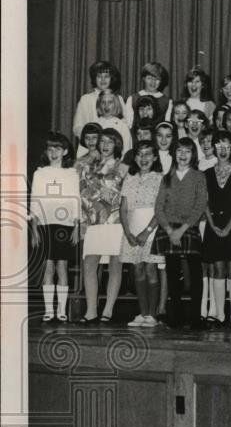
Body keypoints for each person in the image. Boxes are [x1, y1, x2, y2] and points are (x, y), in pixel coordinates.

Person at [153, 137, 208, 330]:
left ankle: (195, 317)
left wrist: (183, 229)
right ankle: (174, 316)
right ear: (174, 154)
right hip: (169, 229)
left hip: (188, 227)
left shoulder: (199, 177)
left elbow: (200, 205)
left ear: (193, 155)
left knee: (195, 274)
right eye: (179, 151)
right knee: (172, 273)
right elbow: (158, 207)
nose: (183, 155)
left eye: (187, 151)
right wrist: (169, 230)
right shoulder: (167, 178)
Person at [76, 128, 129, 322]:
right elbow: (82, 193)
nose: (105, 145)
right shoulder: (88, 166)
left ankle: (108, 310)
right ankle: (91, 310)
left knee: (115, 265)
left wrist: (113, 197)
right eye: (103, 141)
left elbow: (127, 198)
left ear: (117, 145)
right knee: (90, 264)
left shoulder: (124, 168)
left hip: (115, 222)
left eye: (110, 142)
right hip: (94, 221)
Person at [30, 133, 79, 323]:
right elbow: (35, 202)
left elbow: (76, 200)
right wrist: (34, 229)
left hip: (65, 225)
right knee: (48, 267)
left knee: (62, 266)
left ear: (65, 151)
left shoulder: (71, 174)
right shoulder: (39, 173)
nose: (53, 152)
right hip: (44, 224)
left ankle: (61, 310)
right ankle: (49, 310)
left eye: (57, 148)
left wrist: (76, 227)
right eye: (50, 149)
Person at [202, 131, 231, 325]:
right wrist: (212, 225)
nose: (222, 150)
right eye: (219, 145)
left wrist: (229, 226)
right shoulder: (206, 174)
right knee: (218, 269)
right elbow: (203, 201)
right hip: (214, 227)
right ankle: (221, 314)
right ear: (213, 147)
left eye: (227, 146)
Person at [119, 140, 164, 327]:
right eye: (139, 154)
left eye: (148, 154)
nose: (143, 158)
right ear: (134, 157)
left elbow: (162, 209)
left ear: (155, 157)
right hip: (133, 228)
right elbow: (123, 209)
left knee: (150, 269)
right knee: (137, 269)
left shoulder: (161, 178)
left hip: (152, 228)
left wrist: (147, 231)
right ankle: (142, 312)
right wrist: (128, 232)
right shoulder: (129, 178)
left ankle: (152, 315)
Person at [73, 60, 126, 138]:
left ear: (111, 79)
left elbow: (125, 122)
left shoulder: (118, 98)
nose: (103, 80)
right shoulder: (86, 99)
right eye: (99, 76)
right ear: (94, 78)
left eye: (106, 76)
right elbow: (77, 127)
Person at [125, 62, 171, 127]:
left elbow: (167, 126)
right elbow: (128, 125)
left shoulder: (167, 102)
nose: (153, 82)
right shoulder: (132, 99)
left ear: (161, 80)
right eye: (149, 78)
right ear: (143, 78)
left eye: (157, 79)